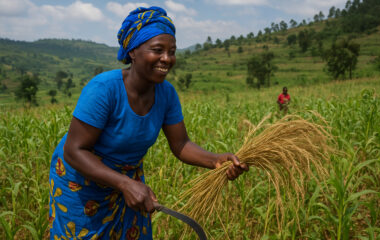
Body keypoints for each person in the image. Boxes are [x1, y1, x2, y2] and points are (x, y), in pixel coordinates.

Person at [48, 6, 248, 239]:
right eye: (157, 50)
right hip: (82, 182)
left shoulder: (166, 94)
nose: (166, 58)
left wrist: (216, 160)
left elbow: (181, 144)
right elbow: (74, 151)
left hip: (127, 183)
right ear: (132, 52)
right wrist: (124, 184)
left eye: (171, 51)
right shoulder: (104, 89)